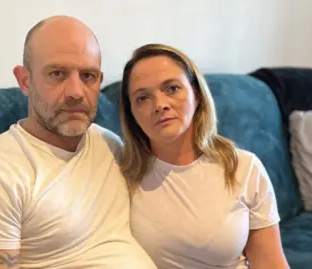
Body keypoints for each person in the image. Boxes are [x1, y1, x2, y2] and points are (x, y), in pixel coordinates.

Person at [0, 16, 156, 269]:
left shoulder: (109, 145)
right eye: (58, 73)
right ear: (25, 80)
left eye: (88, 76)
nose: (76, 91)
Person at [119, 43, 290, 269]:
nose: (160, 105)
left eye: (171, 88)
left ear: (196, 95)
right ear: (132, 114)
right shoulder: (122, 174)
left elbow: (270, 263)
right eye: (142, 98)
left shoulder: (243, 167)